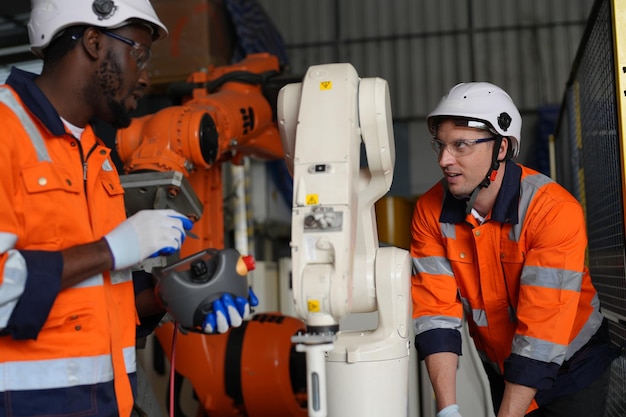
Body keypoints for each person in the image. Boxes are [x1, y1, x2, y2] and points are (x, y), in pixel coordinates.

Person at [0, 1, 255, 416]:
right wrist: (111, 249)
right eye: (139, 54)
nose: (146, 76)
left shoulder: (95, 156)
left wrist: (173, 295)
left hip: (105, 402)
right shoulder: (5, 130)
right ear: (95, 42)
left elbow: (94, 302)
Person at [411, 82, 620, 417]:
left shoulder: (552, 211)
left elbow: (542, 330)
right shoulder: (429, 211)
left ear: (502, 147)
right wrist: (446, 408)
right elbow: (436, 315)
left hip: (572, 369)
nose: (444, 160)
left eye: (460, 145)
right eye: (441, 145)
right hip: (505, 367)